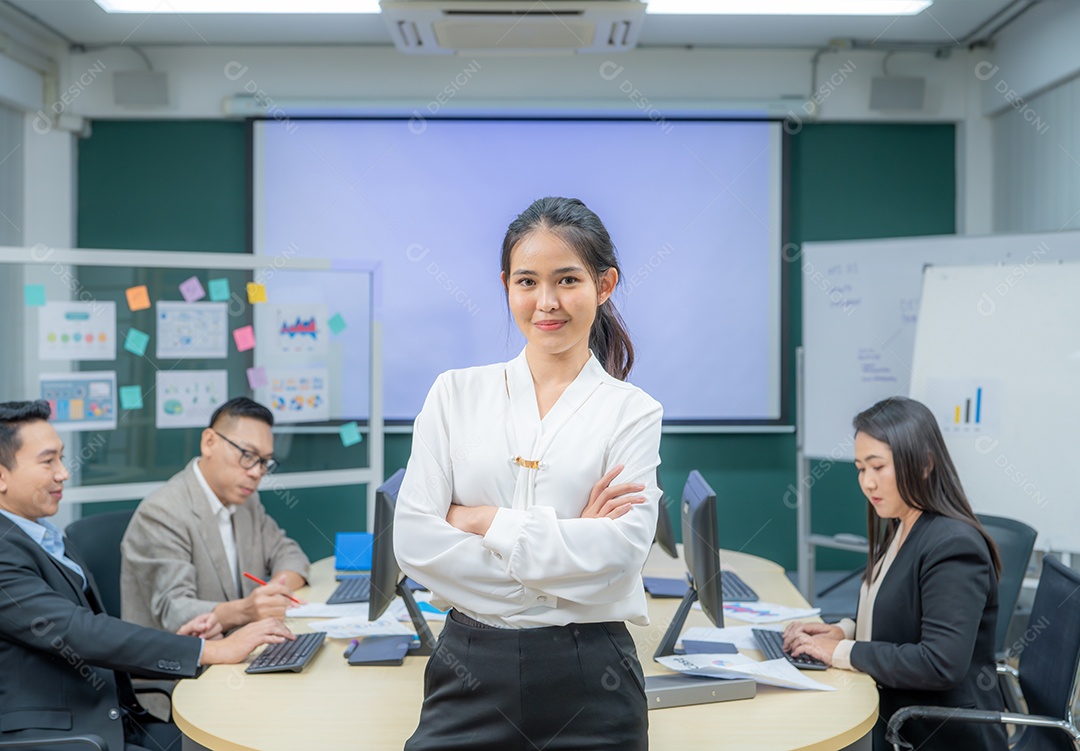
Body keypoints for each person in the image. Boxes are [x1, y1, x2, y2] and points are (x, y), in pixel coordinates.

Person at [394, 197, 662, 751]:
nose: (546, 302)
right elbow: (415, 541)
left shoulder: (632, 411)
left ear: (604, 284)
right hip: (468, 668)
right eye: (526, 282)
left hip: (592, 678)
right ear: (506, 286)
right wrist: (568, 557)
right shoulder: (454, 394)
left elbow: (622, 554)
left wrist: (480, 519)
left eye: (567, 279)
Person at [0, 400, 294, 751]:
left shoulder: (44, 533)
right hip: (68, 736)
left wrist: (186, 645)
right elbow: (81, 633)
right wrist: (209, 650)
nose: (64, 472)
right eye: (48, 461)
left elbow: (91, 638)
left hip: (119, 717)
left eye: (62, 458)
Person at [783, 397, 1007, 751]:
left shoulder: (953, 546)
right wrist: (843, 630)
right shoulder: (902, 524)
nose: (867, 483)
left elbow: (938, 663)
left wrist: (839, 651)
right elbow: (902, 614)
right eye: (860, 468)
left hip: (938, 733)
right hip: (897, 713)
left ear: (924, 465)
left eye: (877, 467)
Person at [121, 396, 310, 633]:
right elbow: (175, 610)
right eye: (248, 455)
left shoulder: (246, 502)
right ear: (209, 442)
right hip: (182, 663)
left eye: (264, 462)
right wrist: (247, 610)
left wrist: (274, 591)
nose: (256, 473)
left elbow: (289, 553)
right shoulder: (162, 511)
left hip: (239, 647)